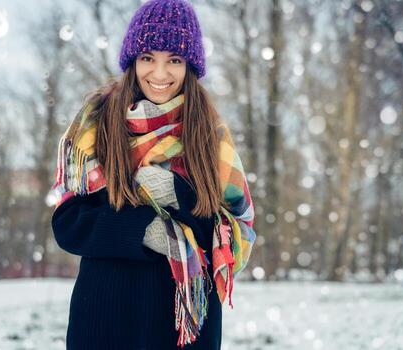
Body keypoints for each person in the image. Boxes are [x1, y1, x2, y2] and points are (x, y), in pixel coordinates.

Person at [50, 0, 256, 349]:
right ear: (133, 62)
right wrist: (141, 230)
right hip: (105, 317)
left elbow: (234, 234)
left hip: (183, 328)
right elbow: (69, 225)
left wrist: (181, 195)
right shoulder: (97, 125)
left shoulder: (209, 135)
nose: (160, 75)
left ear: (189, 66)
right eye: (148, 58)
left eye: (173, 60)